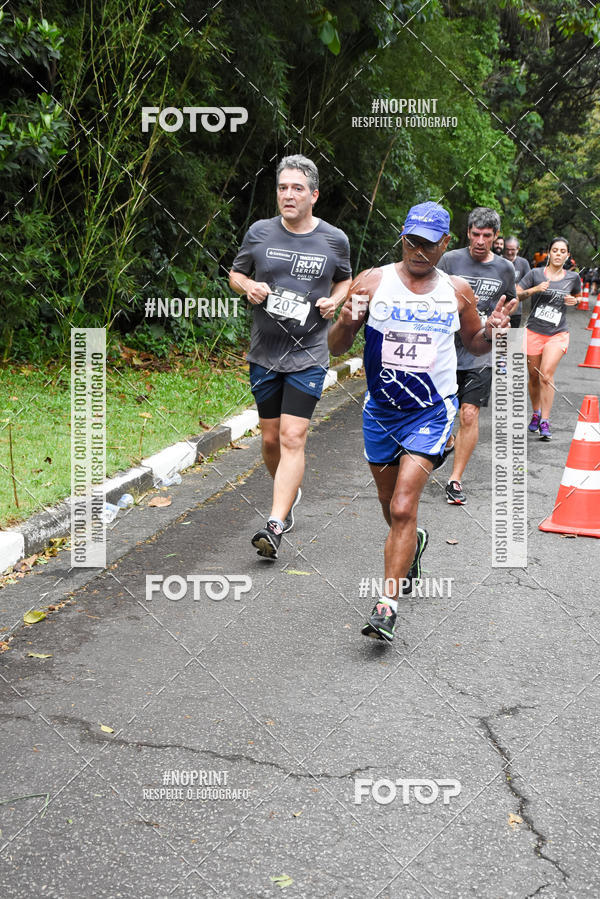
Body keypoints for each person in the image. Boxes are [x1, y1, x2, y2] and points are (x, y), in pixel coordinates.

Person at [328, 201, 516, 642]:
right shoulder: (373, 281)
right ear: (402, 236)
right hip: (381, 411)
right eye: (411, 241)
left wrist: (493, 331)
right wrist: (346, 319)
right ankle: (413, 547)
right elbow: (337, 346)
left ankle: (386, 606)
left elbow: (475, 342)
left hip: (432, 410)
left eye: (428, 244)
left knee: (402, 505)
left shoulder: (456, 290)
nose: (417, 250)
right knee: (387, 502)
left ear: (445, 244)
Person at [229, 154, 352, 558]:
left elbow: (344, 279)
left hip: (309, 353)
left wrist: (336, 300)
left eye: (297, 188)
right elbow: (236, 273)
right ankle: (288, 493)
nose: (288, 194)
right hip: (265, 353)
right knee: (269, 440)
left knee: (292, 435)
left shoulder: (334, 239)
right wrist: (248, 287)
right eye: (283, 187)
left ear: (314, 195)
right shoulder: (260, 233)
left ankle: (276, 522)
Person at [436, 207, 517, 504]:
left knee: (468, 414)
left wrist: (506, 343)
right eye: (475, 234)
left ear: (495, 237)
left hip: (481, 354)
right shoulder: (449, 260)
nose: (480, 240)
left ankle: (455, 480)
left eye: (486, 235)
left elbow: (511, 305)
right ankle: (448, 441)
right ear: (467, 232)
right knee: (440, 416)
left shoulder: (505, 269)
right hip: (445, 351)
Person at [517, 236, 581, 440]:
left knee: (546, 374)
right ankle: (535, 413)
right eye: (555, 250)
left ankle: (545, 420)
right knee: (534, 377)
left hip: (558, 333)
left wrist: (575, 300)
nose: (558, 254)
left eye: (563, 251)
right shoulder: (535, 274)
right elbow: (517, 294)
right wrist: (535, 289)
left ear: (567, 255)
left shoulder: (573, 278)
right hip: (534, 331)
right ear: (549, 253)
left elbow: (578, 298)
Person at [503, 236, 531, 327]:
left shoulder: (523, 263)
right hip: (498, 309)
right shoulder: (498, 261)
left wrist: (518, 287)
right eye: (507, 249)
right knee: (498, 339)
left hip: (516, 310)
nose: (509, 252)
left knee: (513, 339)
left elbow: (530, 282)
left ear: (518, 249)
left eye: (512, 249)